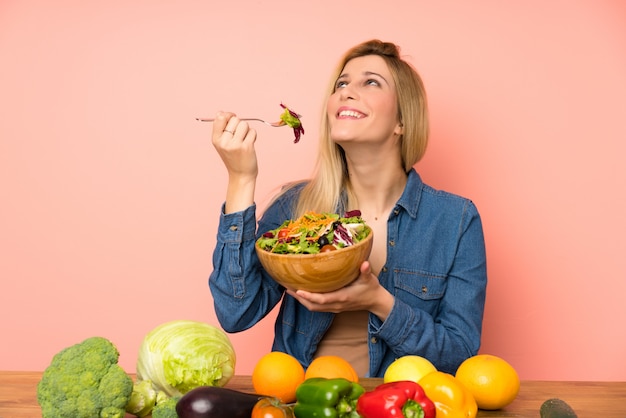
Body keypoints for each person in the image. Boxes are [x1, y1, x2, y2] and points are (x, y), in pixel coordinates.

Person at [208, 39, 487, 378]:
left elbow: (458, 355)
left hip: (395, 407)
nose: (346, 91)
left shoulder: (454, 221)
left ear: (402, 120)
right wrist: (240, 178)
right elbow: (235, 312)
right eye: (341, 83)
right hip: (304, 403)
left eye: (370, 82)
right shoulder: (296, 209)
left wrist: (379, 302)